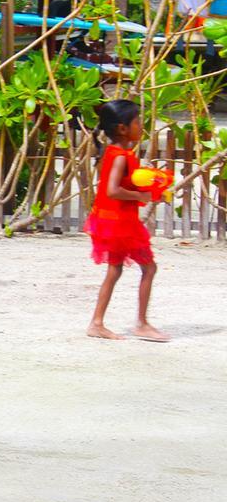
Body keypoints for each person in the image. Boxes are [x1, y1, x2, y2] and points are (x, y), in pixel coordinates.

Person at [84, 100, 169, 342]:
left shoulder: (113, 153)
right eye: (137, 121)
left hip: (109, 220)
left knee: (115, 270)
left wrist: (152, 189)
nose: (140, 125)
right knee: (149, 268)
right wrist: (142, 195)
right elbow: (112, 190)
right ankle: (141, 324)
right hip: (120, 223)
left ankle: (97, 323)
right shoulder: (121, 156)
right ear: (122, 128)